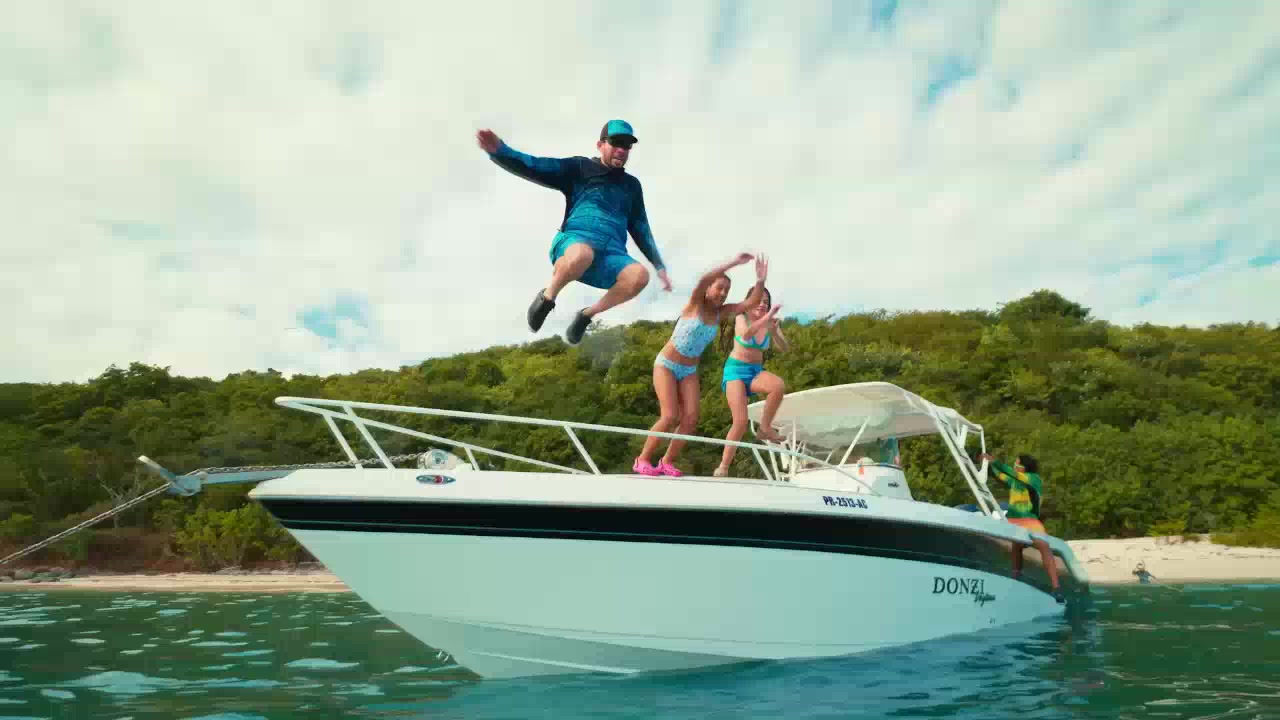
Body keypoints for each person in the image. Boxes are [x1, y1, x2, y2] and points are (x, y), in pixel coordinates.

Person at [476, 120, 672, 345]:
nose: (621, 150)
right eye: (616, 143)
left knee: (639, 275)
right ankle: (547, 297)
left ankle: (586, 315)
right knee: (582, 254)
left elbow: (640, 226)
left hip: (611, 255)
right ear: (600, 145)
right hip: (573, 243)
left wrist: (659, 265)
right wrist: (500, 151)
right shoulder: (580, 168)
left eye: (626, 145)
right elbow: (536, 166)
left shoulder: (631, 186)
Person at [633, 252, 769, 477]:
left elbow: (751, 302)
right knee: (669, 416)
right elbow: (705, 278)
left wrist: (760, 280)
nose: (723, 293)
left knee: (690, 419)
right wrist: (734, 262)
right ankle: (642, 459)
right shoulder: (695, 303)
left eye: (726, 290)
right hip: (667, 365)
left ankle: (666, 461)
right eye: (719, 288)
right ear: (708, 288)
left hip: (688, 370)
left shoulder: (721, 313)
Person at [713, 286, 790, 477]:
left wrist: (774, 332)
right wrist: (768, 317)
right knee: (740, 421)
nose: (763, 304)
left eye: (766, 302)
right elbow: (745, 335)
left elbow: (785, 348)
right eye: (759, 300)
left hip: (755, 372)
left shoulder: (770, 323)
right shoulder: (742, 317)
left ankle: (765, 428)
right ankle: (723, 466)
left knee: (778, 386)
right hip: (735, 372)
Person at [979, 452, 1065, 603]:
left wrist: (995, 461)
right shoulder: (1014, 481)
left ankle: (1056, 588)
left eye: (1017, 463)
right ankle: (1016, 579)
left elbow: (1010, 472)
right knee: (1017, 546)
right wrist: (985, 464)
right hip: (1014, 519)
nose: (1014, 465)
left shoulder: (1033, 479)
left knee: (1043, 546)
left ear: (1024, 467)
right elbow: (1000, 475)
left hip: (1030, 520)